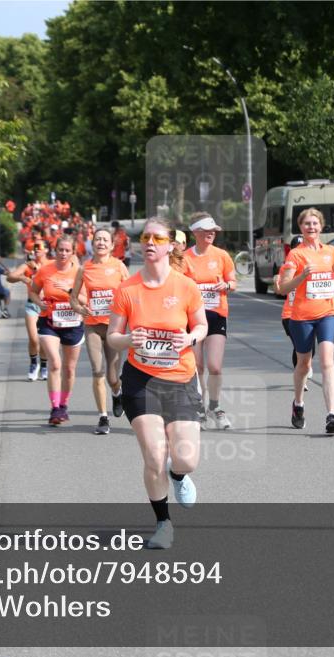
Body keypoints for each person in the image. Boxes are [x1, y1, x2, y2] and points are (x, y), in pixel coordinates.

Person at [107, 217, 208, 549]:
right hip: (141, 379)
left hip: (180, 378)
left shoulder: (186, 287)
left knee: (186, 458)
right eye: (145, 237)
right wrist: (130, 339)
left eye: (156, 237)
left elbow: (202, 326)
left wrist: (190, 338)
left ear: (170, 245)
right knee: (153, 454)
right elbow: (113, 337)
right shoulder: (127, 289)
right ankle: (163, 523)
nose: (149, 242)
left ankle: (178, 475)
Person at [278, 208, 334, 435]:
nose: (311, 227)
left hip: (328, 312)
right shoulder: (295, 255)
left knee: (327, 362)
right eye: (307, 224)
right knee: (304, 364)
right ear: (301, 228)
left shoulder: (330, 251)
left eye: (315, 223)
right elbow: (283, 288)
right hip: (301, 317)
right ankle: (298, 403)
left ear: (321, 226)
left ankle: (331, 415)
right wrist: (302, 276)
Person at [70, 227, 130, 434]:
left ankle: (117, 392)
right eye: (98, 240)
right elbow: (73, 297)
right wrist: (79, 308)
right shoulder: (84, 269)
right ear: (92, 244)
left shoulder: (119, 267)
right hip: (93, 326)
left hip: (114, 328)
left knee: (113, 377)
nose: (101, 243)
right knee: (97, 371)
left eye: (105, 240)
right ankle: (103, 418)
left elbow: (131, 293)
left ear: (112, 246)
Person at [183, 213, 237, 430]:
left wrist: (227, 286)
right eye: (207, 230)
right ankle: (198, 407)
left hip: (216, 316)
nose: (212, 233)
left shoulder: (222, 255)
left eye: (214, 230)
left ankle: (214, 406)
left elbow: (233, 282)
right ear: (196, 232)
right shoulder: (185, 258)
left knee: (215, 366)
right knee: (197, 366)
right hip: (192, 319)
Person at [29, 236, 84, 426]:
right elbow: (33, 291)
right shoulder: (45, 270)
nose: (63, 253)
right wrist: (39, 303)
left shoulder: (79, 272)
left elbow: (85, 300)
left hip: (73, 323)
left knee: (69, 369)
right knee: (55, 363)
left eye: (67, 250)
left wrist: (70, 291)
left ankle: (63, 405)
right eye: (60, 249)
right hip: (49, 322)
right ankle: (54, 408)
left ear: (73, 253)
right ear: (55, 250)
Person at [8, 241, 50, 380]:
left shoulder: (51, 265)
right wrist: (23, 277)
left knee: (44, 339)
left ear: (47, 250)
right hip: (32, 306)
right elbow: (10, 277)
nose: (37, 250)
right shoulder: (28, 266)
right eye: (35, 248)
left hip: (48, 306)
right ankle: (33, 363)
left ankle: (44, 365)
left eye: (40, 247)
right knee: (33, 338)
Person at [275, 266, 313, 393]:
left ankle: (305, 367)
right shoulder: (286, 269)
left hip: (309, 315)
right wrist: (276, 283)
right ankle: (303, 378)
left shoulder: (312, 267)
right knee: (299, 347)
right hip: (289, 315)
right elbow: (280, 290)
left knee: (310, 348)